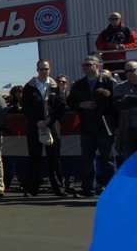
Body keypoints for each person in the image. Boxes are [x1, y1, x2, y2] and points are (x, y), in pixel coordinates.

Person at [66, 55, 117, 197]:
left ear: (97, 66)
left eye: (88, 64)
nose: (85, 67)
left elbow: (116, 105)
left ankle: (112, 190)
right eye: (83, 65)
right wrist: (81, 105)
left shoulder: (109, 82)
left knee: (108, 159)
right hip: (87, 126)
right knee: (87, 159)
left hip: (105, 125)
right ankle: (88, 189)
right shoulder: (79, 84)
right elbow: (70, 102)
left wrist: (116, 125)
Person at [22, 60, 67, 197]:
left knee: (54, 158)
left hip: (52, 125)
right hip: (35, 126)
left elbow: (60, 105)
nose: (44, 71)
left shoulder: (55, 86)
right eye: (41, 69)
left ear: (50, 69)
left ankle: (58, 188)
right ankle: (32, 189)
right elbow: (26, 107)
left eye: (46, 69)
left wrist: (48, 120)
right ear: (37, 70)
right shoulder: (30, 87)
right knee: (34, 158)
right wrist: (37, 122)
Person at [95, 12, 137, 76]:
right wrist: (107, 45)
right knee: (107, 79)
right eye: (112, 19)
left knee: (126, 78)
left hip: (124, 59)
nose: (114, 21)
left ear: (120, 19)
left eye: (116, 19)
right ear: (109, 20)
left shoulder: (127, 30)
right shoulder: (105, 33)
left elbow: (135, 43)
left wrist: (125, 46)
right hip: (109, 60)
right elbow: (98, 44)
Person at [113, 61, 137, 161]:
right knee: (128, 157)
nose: (129, 73)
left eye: (132, 70)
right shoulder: (120, 87)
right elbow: (117, 104)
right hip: (127, 127)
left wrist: (127, 98)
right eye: (126, 71)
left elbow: (123, 102)